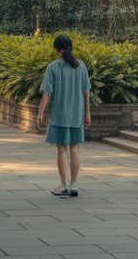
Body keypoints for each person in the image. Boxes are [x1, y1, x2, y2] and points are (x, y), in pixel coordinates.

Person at [37, 33, 91, 198]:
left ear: (56, 49)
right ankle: (74, 184)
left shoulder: (53, 67)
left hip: (60, 115)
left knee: (62, 150)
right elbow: (86, 91)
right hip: (77, 114)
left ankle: (63, 185)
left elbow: (47, 94)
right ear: (70, 47)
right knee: (74, 148)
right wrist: (88, 113)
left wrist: (40, 114)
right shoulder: (80, 66)